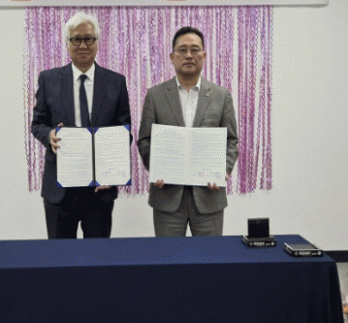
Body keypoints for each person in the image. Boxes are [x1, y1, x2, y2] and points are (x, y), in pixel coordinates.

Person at [31, 12, 131, 239]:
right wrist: (49, 135)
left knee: (97, 256)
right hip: (60, 189)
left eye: (89, 39)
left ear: (97, 42)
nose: (83, 45)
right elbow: (38, 123)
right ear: (67, 44)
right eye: (76, 39)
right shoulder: (49, 79)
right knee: (59, 255)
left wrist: (112, 172)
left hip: (99, 189)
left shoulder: (115, 82)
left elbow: (124, 132)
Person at [137, 26, 238, 237]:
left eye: (195, 49)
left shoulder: (221, 96)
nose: (189, 55)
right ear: (172, 57)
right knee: (169, 256)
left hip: (209, 197)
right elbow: (145, 140)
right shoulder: (155, 95)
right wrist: (156, 167)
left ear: (204, 56)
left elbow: (231, 141)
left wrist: (223, 170)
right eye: (182, 50)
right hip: (167, 196)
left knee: (209, 256)